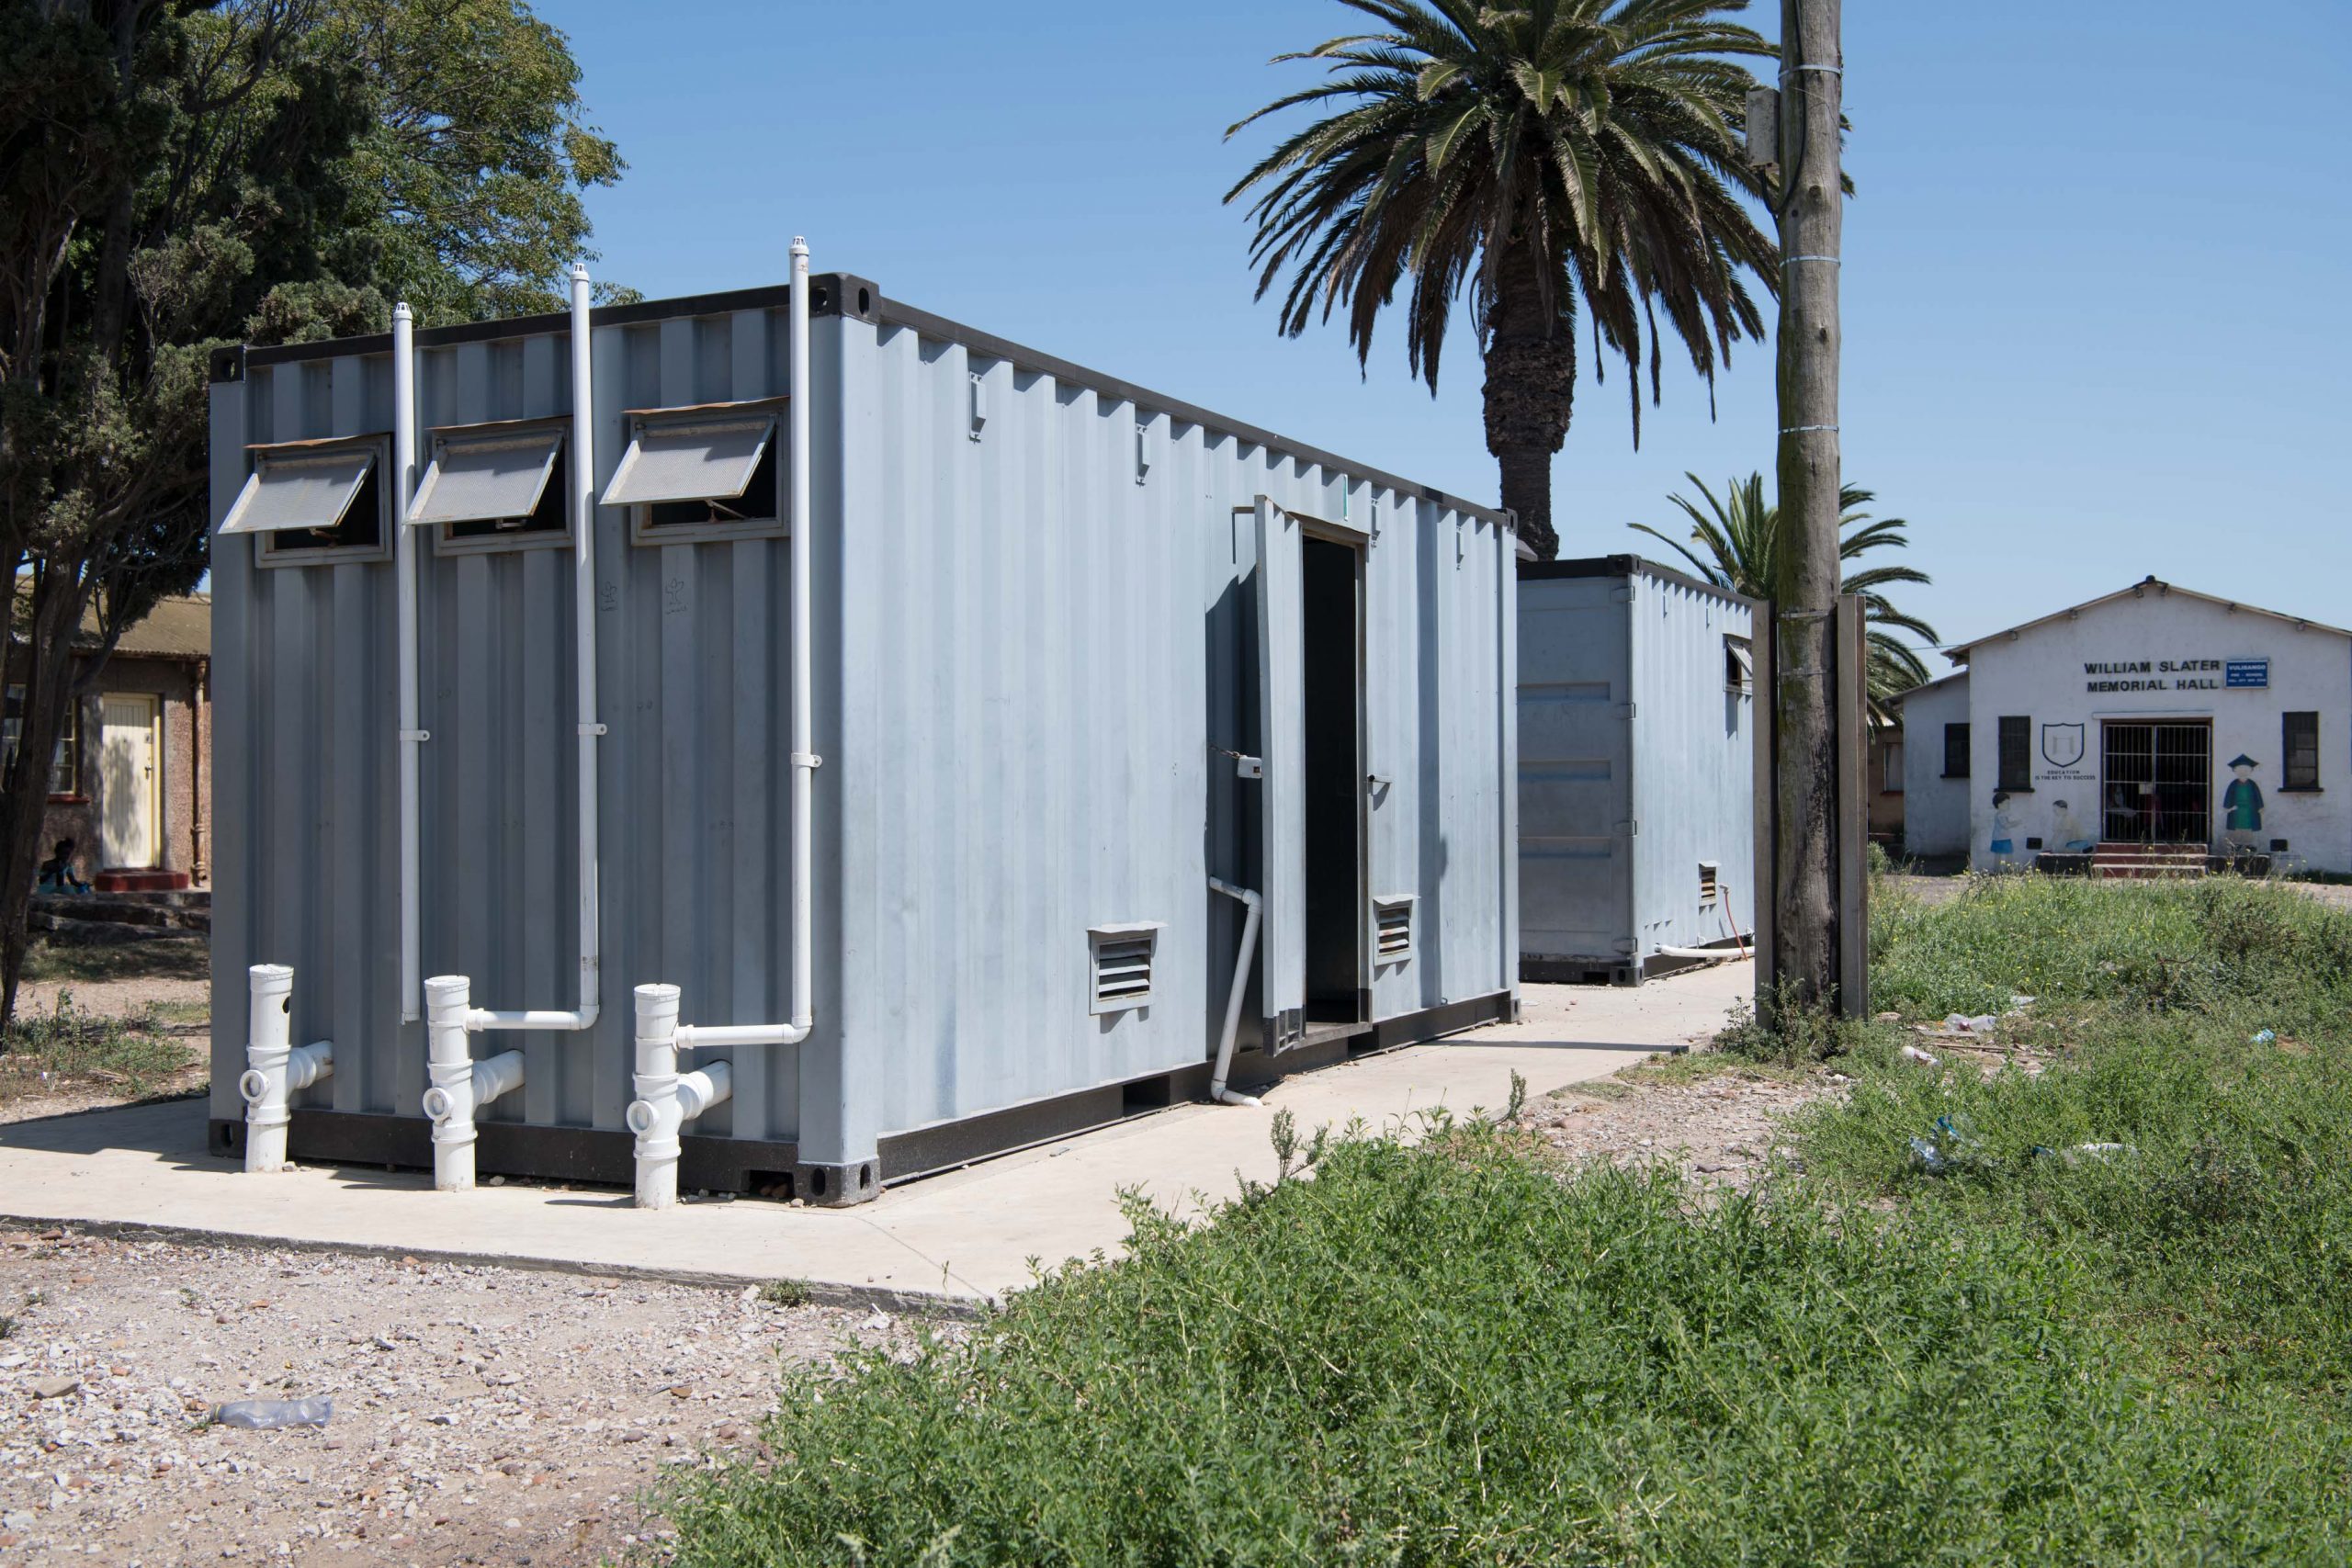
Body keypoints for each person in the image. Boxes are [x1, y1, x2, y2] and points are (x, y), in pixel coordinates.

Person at [2222, 754, 2265, 854]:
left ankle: (2250, 845)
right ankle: (2237, 844)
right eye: (2240, 769)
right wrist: (2229, 807)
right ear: (2235, 771)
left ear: (2250, 771)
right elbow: (2229, 796)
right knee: (2237, 828)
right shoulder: (2233, 785)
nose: (2243, 772)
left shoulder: (2252, 785)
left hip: (2250, 810)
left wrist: (2260, 807)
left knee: (2249, 828)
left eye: (2246, 769)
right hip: (2237, 810)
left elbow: (2257, 796)